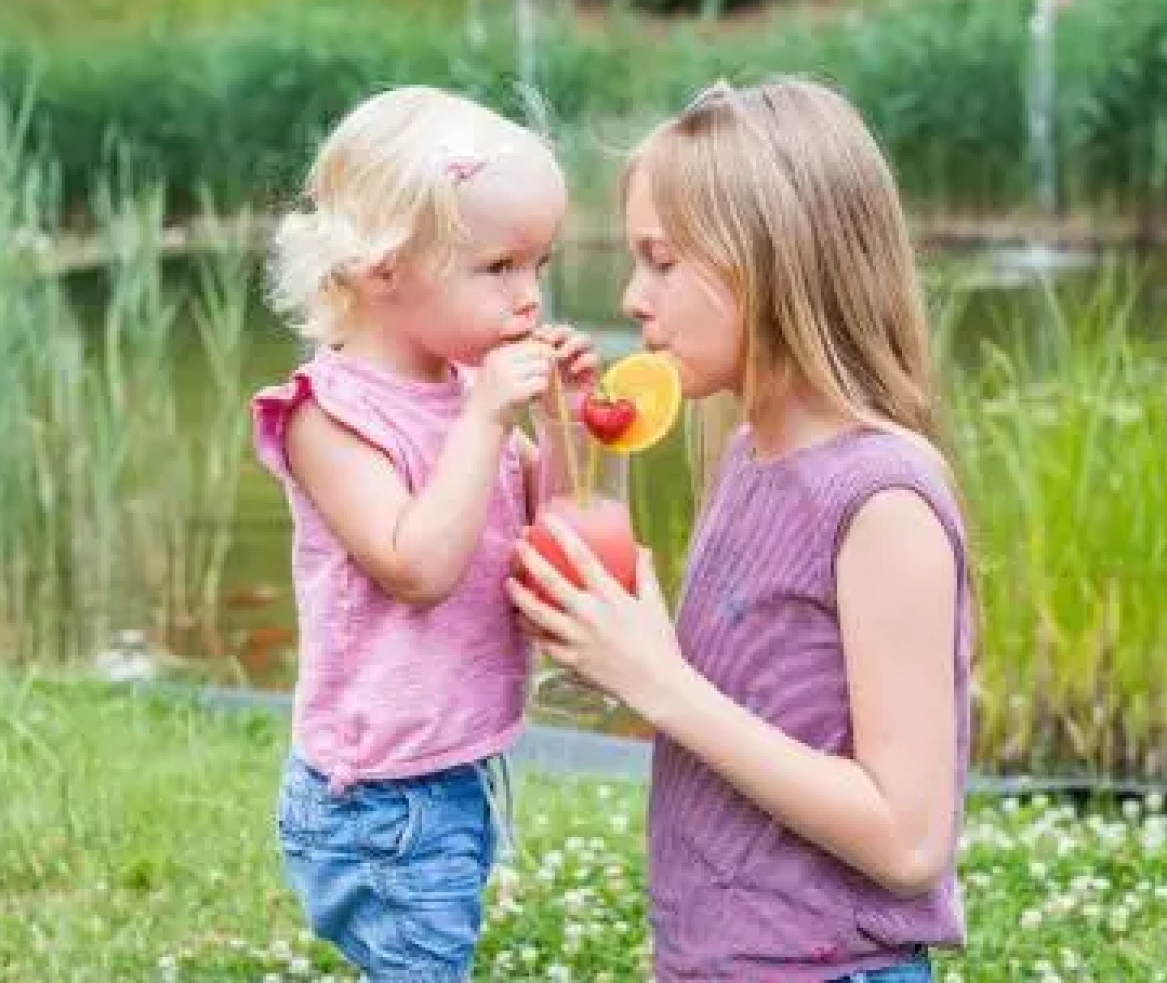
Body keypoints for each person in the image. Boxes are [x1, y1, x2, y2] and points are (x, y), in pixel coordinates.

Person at [511, 78, 973, 982]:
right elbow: (742, 707)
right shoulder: (753, 451)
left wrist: (658, 682)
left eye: (663, 261)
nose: (634, 297)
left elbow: (909, 840)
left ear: (775, 260)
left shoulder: (884, 498)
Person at [250, 85, 597, 982]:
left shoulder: (460, 392)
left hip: (447, 771)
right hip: (379, 799)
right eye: (499, 268)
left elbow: (552, 528)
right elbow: (416, 566)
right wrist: (487, 420)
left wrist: (563, 422)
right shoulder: (328, 415)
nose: (529, 299)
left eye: (538, 266)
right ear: (382, 268)